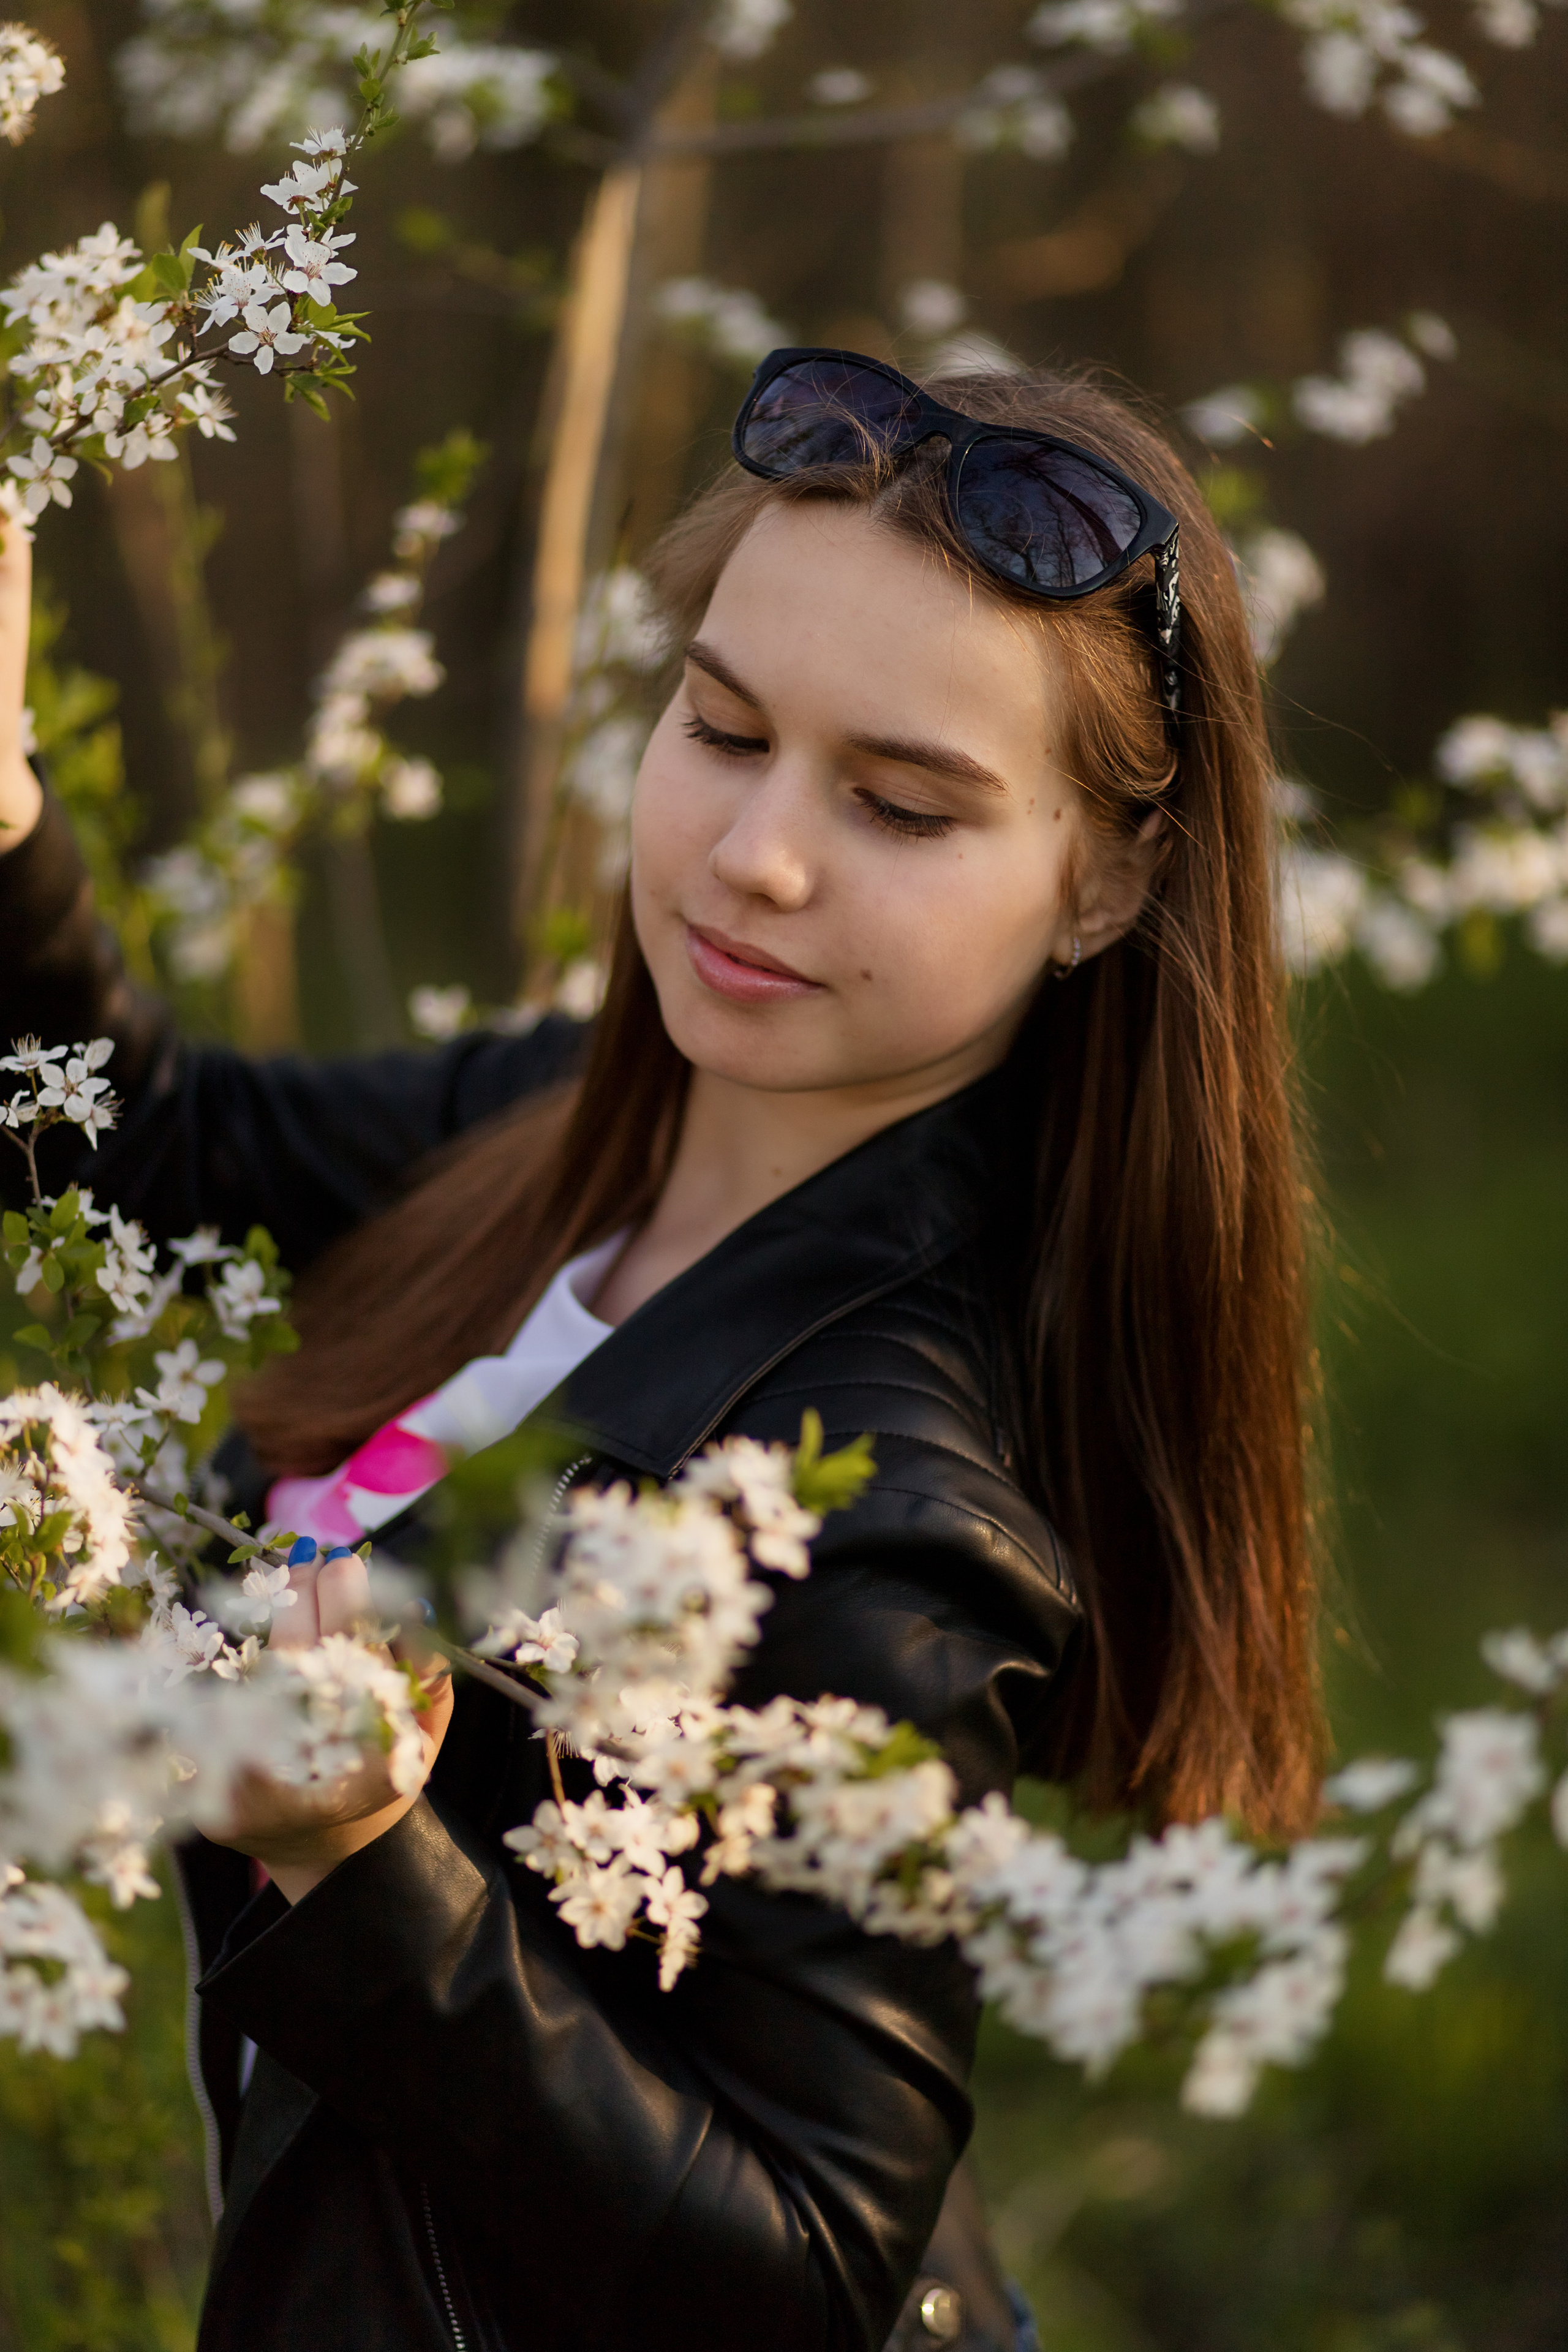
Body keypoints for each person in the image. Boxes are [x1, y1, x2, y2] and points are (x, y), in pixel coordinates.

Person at [0, 354, 1320, 2352]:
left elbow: (800, 2276)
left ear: (1108, 883)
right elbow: (150, 1152)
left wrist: (368, 1867)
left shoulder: (877, 1513)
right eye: (721, 728)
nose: (756, 856)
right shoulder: (562, 1127)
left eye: (898, 803)